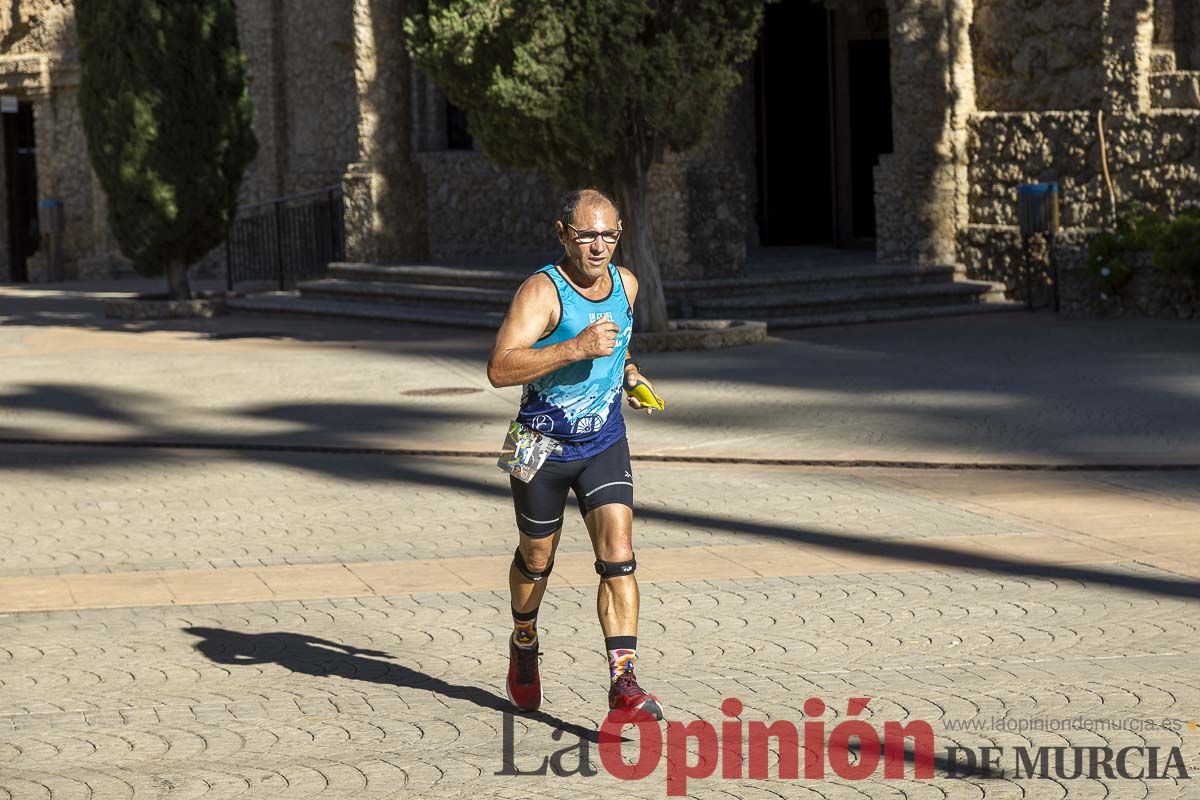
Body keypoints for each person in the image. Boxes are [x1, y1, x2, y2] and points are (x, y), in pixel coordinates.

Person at [486, 188, 664, 720]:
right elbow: (499, 368)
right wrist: (575, 348)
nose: (599, 246)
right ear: (563, 234)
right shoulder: (541, 291)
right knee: (536, 559)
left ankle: (624, 683)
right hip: (535, 443)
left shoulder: (626, 284)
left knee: (619, 554)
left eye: (609, 235)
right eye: (587, 235)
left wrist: (629, 374)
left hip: (604, 440)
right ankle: (523, 639)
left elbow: (619, 337)